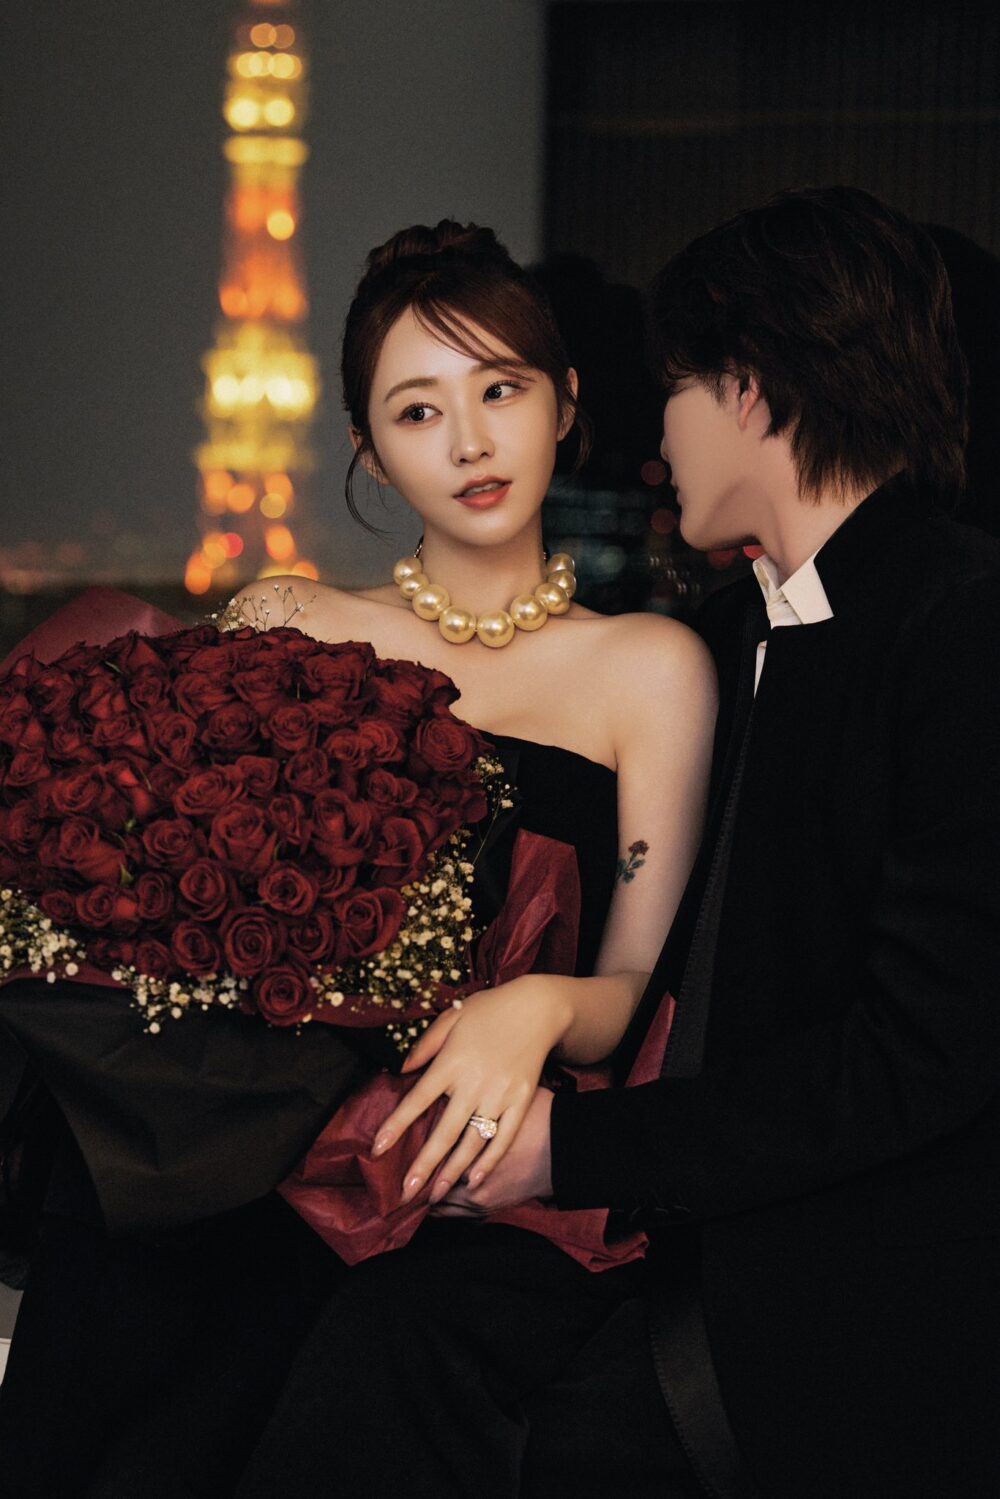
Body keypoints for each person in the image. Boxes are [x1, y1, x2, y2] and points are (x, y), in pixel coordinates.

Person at [237, 187, 1000, 1499]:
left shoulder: (958, 621)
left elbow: (921, 1055)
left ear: (749, 392)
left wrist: (568, 1146)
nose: (659, 430)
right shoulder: (726, 633)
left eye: (679, 388)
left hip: (845, 1297)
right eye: (416, 409)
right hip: (654, 1222)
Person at [0, 222, 716, 1494]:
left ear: (565, 403)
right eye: (418, 410)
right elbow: (155, 899)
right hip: (233, 1132)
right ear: (369, 450)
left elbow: (630, 986)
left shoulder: (647, 668)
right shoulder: (291, 617)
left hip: (435, 1173)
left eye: (501, 390)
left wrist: (538, 1006)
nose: (470, 441)